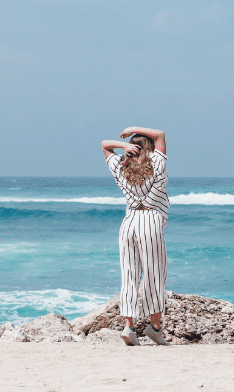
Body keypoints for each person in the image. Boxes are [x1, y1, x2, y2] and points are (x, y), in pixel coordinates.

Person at [101, 126, 170, 346]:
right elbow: (160, 134)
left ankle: (129, 327)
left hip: (129, 222)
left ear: (133, 149)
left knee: (129, 275)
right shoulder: (157, 163)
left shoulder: (122, 166)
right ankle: (155, 328)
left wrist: (123, 145)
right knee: (154, 275)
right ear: (150, 148)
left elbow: (104, 145)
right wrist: (133, 129)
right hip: (150, 221)